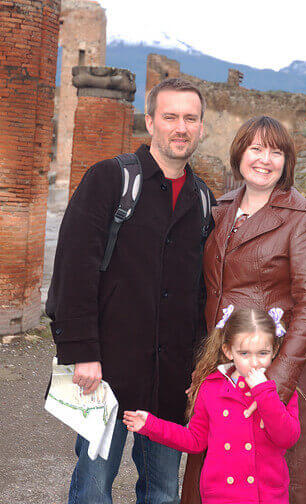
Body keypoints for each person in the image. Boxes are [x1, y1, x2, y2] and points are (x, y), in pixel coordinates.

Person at [47, 77, 215, 504]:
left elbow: (200, 295)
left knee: (161, 491)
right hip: (107, 373)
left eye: (190, 119)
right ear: (150, 121)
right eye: (171, 116)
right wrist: (83, 352)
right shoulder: (110, 179)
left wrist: (199, 371)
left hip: (171, 378)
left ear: (201, 127)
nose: (181, 127)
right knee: (94, 486)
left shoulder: (203, 200)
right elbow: (74, 269)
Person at [181, 115, 306, 504]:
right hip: (225, 363)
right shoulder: (219, 210)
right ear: (239, 154)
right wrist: (203, 369)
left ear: (287, 161)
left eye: (276, 151)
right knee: (220, 479)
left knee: (277, 479)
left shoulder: (304, 219)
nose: (264, 159)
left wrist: (277, 381)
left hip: (280, 367)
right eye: (256, 148)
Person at [124, 306, 301, 504]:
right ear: (228, 350)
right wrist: (152, 425)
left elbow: (288, 437)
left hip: (265, 495)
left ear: (274, 350)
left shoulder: (278, 388)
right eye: (244, 353)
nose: (254, 362)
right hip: (222, 495)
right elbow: (195, 440)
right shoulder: (211, 388)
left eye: (262, 353)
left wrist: (264, 393)